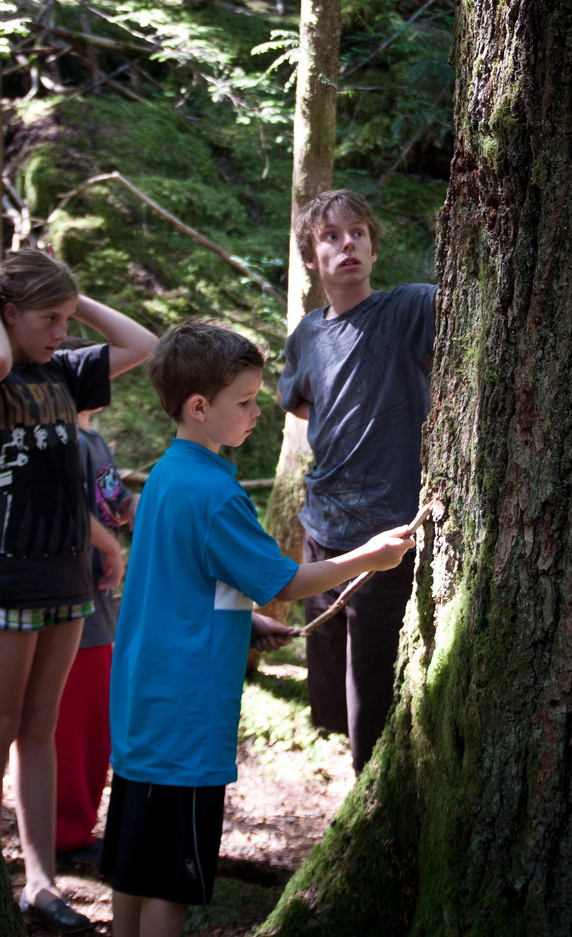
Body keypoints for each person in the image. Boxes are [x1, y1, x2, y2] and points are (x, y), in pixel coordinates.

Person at [101, 321, 415, 937]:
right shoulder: (216, 494)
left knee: (134, 865)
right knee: (170, 881)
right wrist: (368, 557)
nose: (256, 413)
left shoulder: (167, 475)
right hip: (187, 718)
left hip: (144, 703)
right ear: (199, 407)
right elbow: (287, 580)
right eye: (243, 403)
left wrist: (245, 619)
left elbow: (189, 580)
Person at [0, 250, 156, 934]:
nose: (63, 333)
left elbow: (143, 345)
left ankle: (40, 881)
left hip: (66, 581)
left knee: (39, 731)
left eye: (67, 320)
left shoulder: (67, 372)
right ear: (7, 315)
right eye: (49, 319)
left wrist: (75, 295)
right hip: (2, 580)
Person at [277, 188, 437, 774]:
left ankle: (368, 788)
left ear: (373, 246)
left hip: (386, 531)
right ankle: (345, 762)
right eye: (331, 237)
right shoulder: (307, 336)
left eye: (358, 234)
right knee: (327, 664)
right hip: (322, 522)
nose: (348, 245)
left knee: (372, 680)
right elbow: (296, 402)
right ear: (313, 258)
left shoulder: (408, 309)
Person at [55, 404, 138, 867]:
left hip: (100, 604)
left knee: (95, 723)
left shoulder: (93, 441)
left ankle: (76, 827)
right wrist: (110, 548)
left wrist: (140, 506)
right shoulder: (61, 439)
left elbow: (114, 500)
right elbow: (63, 505)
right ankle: (64, 836)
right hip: (75, 600)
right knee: (76, 724)